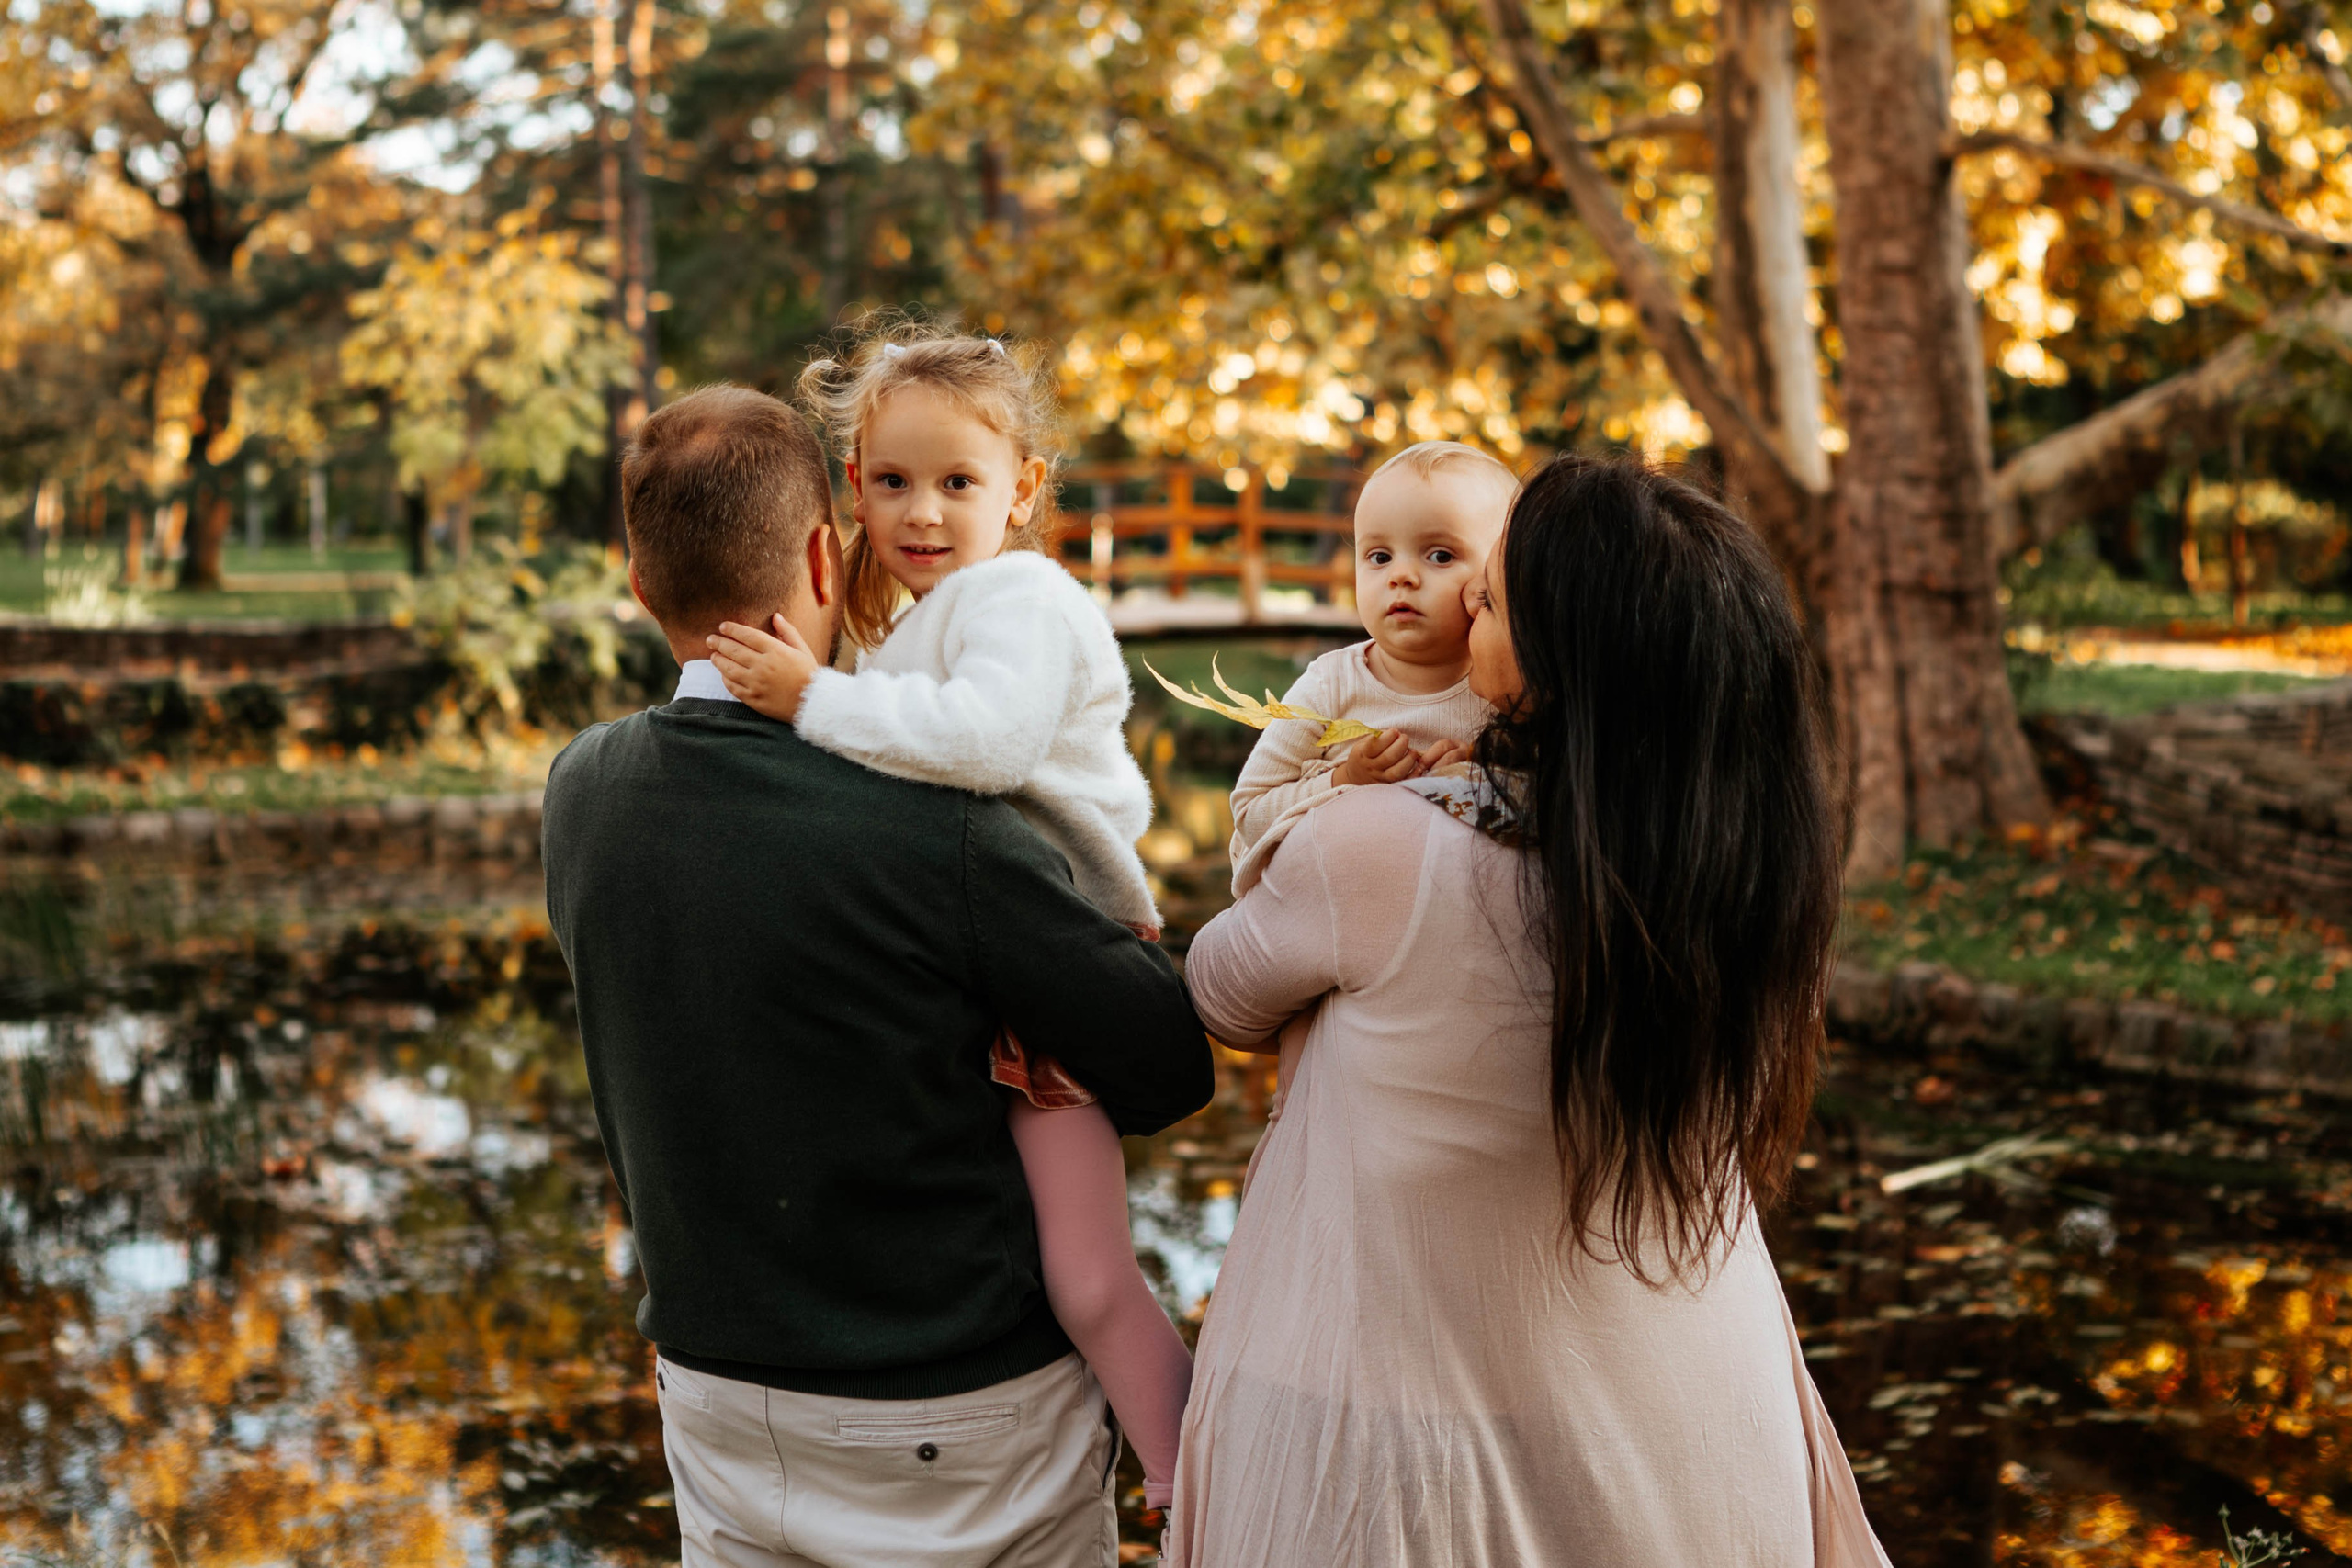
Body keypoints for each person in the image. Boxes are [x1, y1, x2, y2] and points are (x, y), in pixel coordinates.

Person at [1167, 454, 1892, 1566]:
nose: (1460, 607)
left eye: (1491, 599)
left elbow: (1218, 989)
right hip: (1701, 1422)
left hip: (1415, 1451)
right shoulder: (1745, 877)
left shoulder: (1378, 845)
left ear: (1557, 662)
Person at [542, 382, 1212, 1568]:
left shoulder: (582, 789)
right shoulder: (935, 824)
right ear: (824, 550)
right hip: (953, 1410)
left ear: (641, 586)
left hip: (718, 1395)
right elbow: (1166, 1064)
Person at [695, 327, 1196, 1516]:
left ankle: (1198, 1488)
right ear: (854, 484)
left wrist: (812, 697)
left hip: (1063, 962)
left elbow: (989, 745)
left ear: (1022, 489)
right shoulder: (920, 623)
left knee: (1086, 1276)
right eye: (893, 481)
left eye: (958, 481)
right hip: (987, 960)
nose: (923, 511)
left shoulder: (1020, 598)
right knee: (1018, 1242)